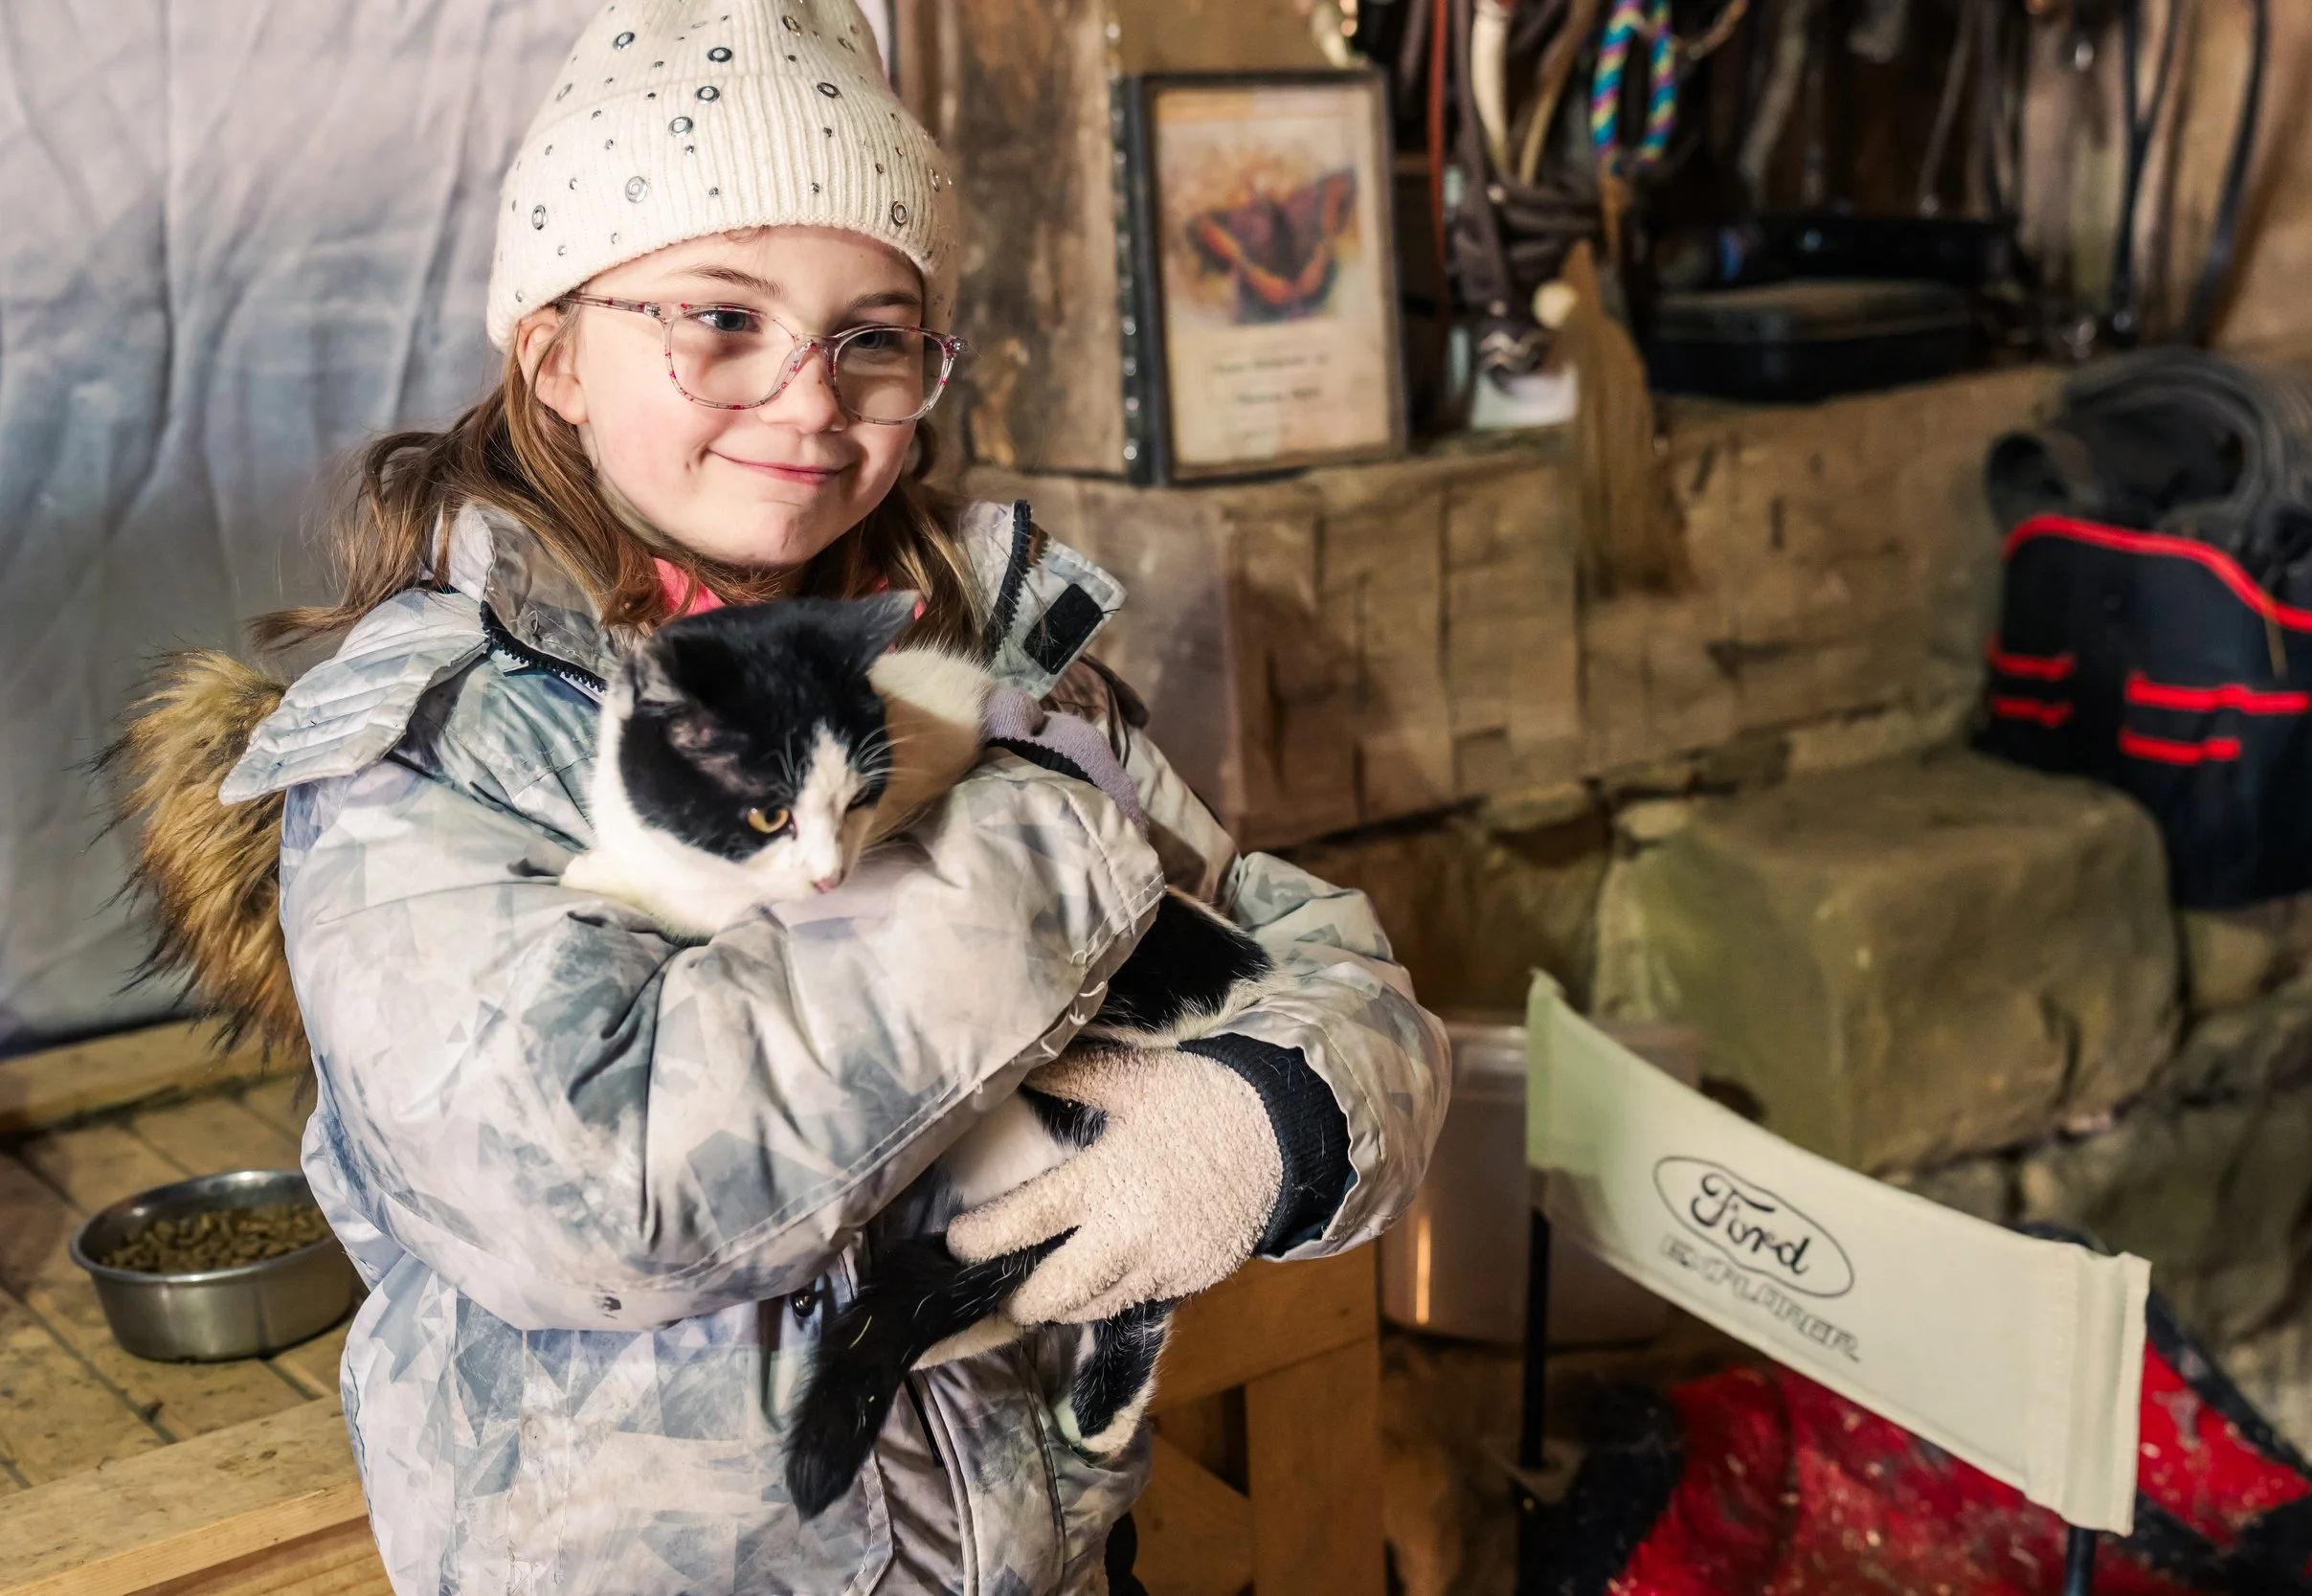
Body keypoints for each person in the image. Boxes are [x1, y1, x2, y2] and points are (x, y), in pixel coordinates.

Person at [144, 2, 1448, 1592]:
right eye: (719, 317)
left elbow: (1325, 970)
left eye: (872, 334)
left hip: (1046, 1546)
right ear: (552, 349)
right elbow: (605, 1201)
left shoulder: (979, 637)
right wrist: (1032, 834)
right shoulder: (429, 750)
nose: (809, 398)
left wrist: (1272, 1114)